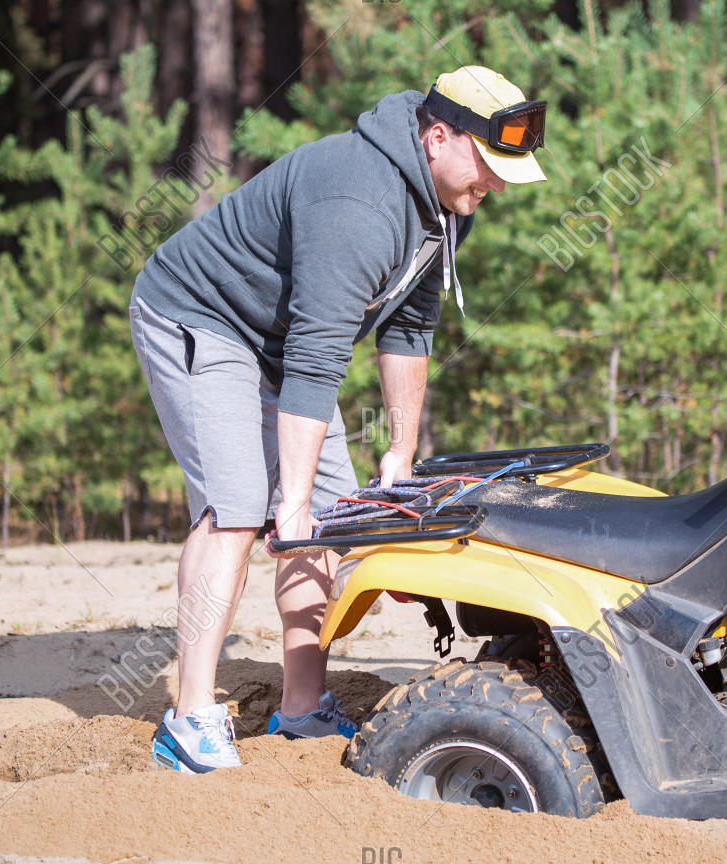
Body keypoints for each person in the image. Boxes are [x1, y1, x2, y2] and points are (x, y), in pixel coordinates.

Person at [128, 64, 548, 773]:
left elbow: (409, 329)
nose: (498, 185)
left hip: (281, 344)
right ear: (438, 137)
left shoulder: (448, 206)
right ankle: (189, 718)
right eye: (489, 165)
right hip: (201, 316)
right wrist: (287, 503)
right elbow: (318, 353)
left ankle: (301, 708)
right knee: (237, 509)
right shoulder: (359, 200)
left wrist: (400, 454)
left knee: (331, 516)